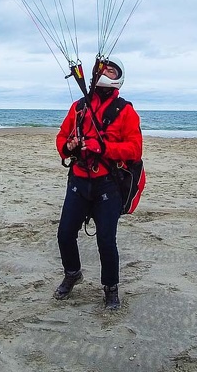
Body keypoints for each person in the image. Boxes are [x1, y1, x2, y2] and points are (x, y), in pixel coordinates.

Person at [54, 57, 143, 310]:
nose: (106, 71)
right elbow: (62, 135)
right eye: (103, 68)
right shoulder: (79, 107)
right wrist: (67, 147)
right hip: (79, 181)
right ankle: (72, 273)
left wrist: (102, 147)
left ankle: (111, 288)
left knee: (106, 240)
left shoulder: (125, 111)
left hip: (107, 184)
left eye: (111, 69)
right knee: (65, 234)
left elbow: (135, 149)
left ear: (119, 78)